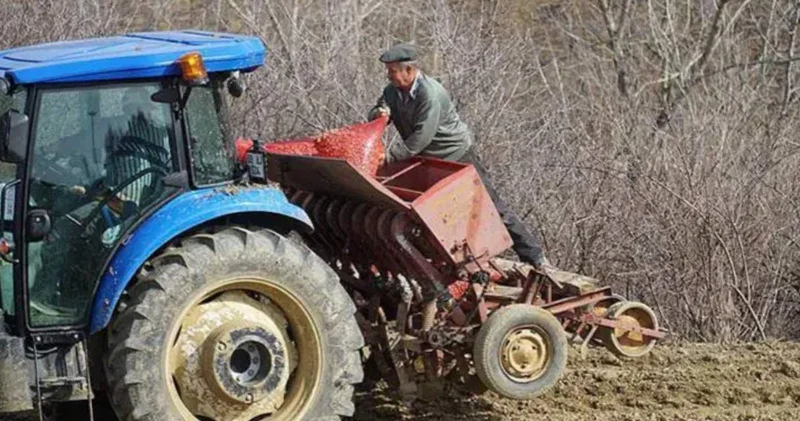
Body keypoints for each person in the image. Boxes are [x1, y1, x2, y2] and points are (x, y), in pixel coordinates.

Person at [368, 43, 548, 269]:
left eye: (393, 71)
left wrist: (391, 157)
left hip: (456, 155)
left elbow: (422, 135)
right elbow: (380, 107)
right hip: (426, 159)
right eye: (388, 71)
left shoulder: (430, 94)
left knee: (490, 205)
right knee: (437, 213)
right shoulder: (392, 91)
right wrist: (380, 113)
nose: (389, 76)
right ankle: (458, 262)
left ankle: (535, 257)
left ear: (409, 71)